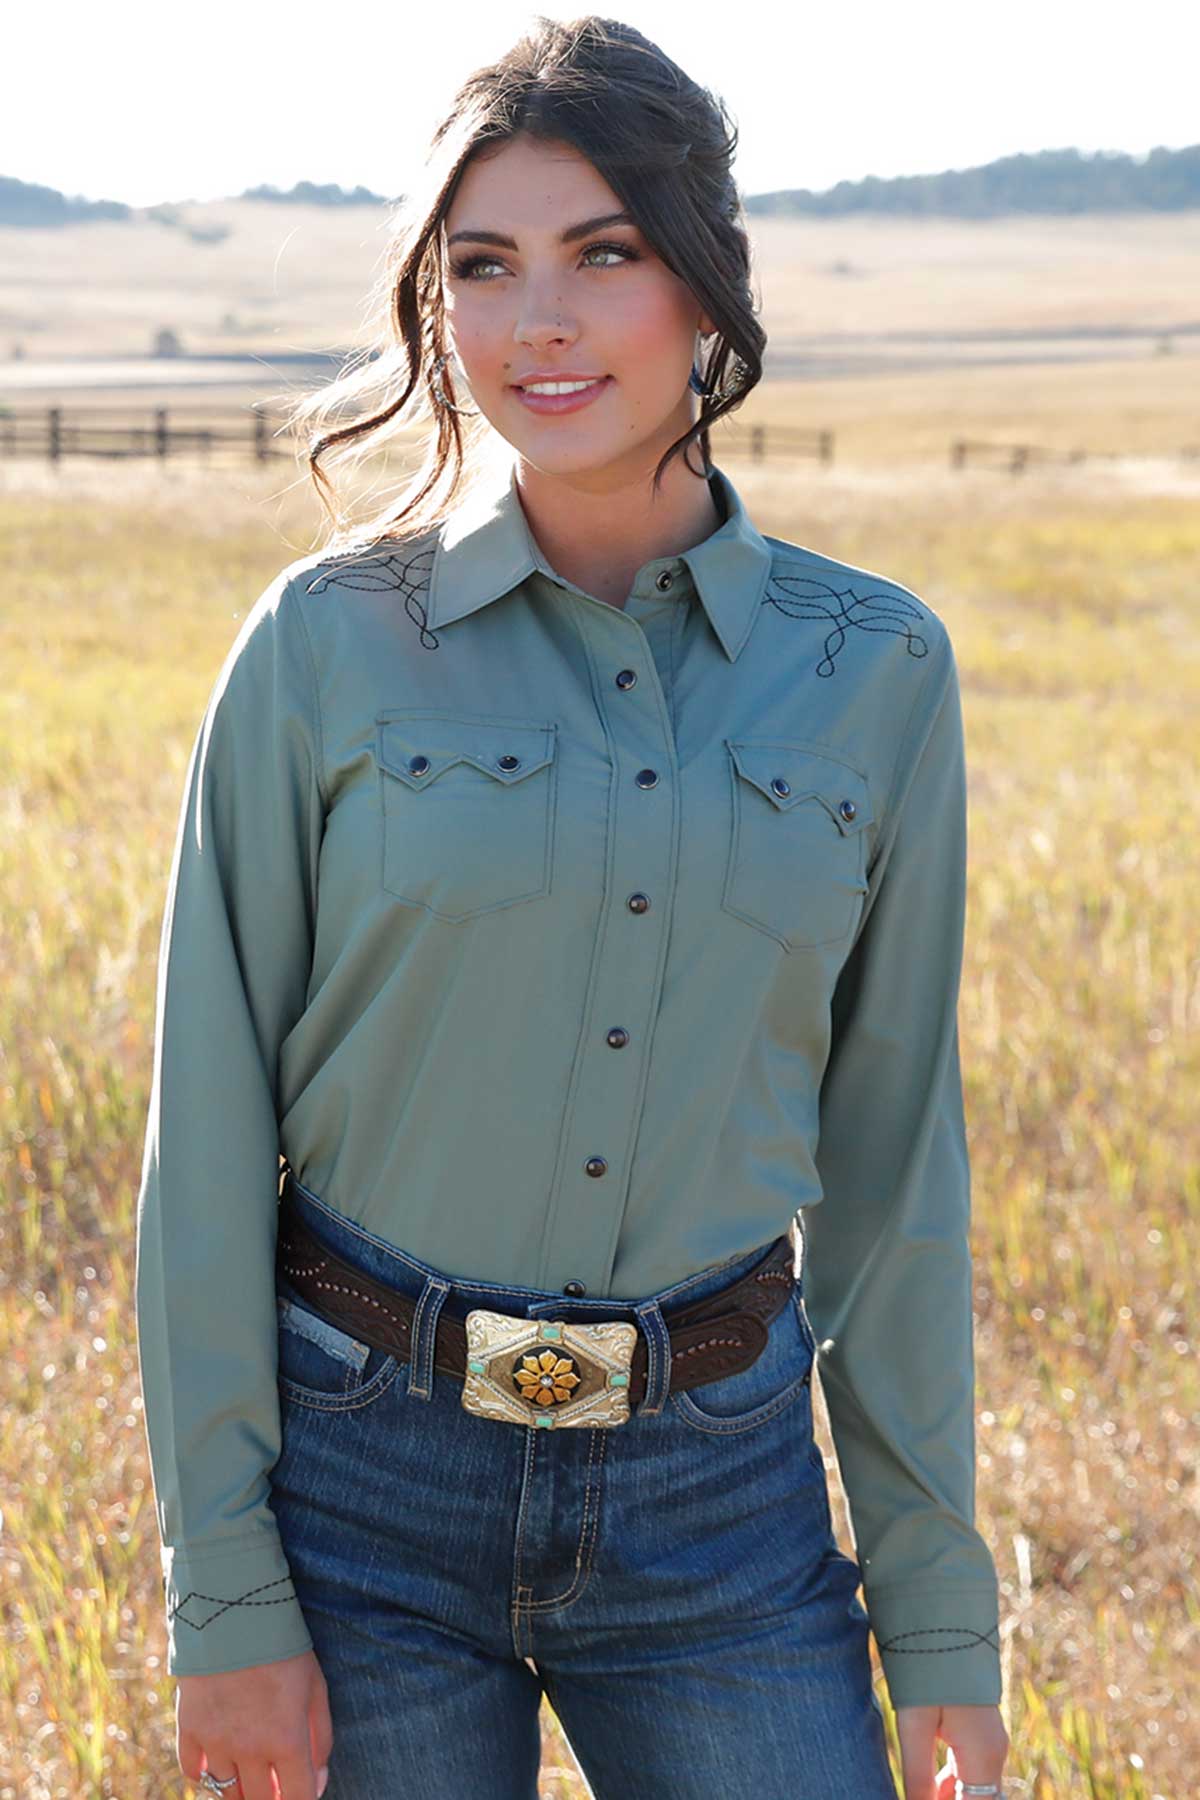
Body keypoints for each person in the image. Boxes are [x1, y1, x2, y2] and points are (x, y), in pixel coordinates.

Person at [134, 15, 1010, 1800]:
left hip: (724, 1497)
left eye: (604, 255)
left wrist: (938, 1621)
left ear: (705, 283)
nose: (540, 320)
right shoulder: (324, 643)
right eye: (486, 265)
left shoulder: (878, 672)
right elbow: (205, 1137)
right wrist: (227, 1596)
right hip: (359, 1487)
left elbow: (897, 1164)